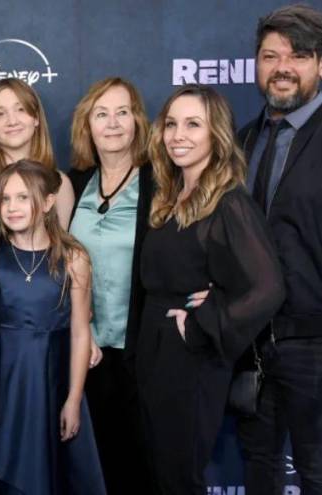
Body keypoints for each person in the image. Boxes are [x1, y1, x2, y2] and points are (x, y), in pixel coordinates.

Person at [137, 84, 284, 494]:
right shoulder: (169, 194)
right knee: (161, 473)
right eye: (171, 124)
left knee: (180, 476)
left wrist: (203, 323)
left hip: (191, 361)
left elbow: (268, 287)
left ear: (215, 133)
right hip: (154, 353)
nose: (178, 135)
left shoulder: (229, 202)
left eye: (192, 124)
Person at [0, 160, 105, 495]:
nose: (12, 207)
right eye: (5, 199)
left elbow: (80, 332)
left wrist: (73, 399)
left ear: (47, 202)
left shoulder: (74, 258)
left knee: (49, 469)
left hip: (50, 379)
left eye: (23, 198)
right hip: (2, 376)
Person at [235, 5, 322, 494]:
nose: (282, 66)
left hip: (315, 341)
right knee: (258, 466)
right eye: (270, 55)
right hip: (252, 345)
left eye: (299, 55)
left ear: (320, 65)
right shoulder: (244, 141)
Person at [66, 77, 153, 494]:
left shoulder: (159, 183)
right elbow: (54, 265)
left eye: (123, 112)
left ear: (137, 121)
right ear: (88, 125)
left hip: (140, 352)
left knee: (140, 467)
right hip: (87, 352)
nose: (113, 123)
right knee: (94, 471)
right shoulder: (75, 182)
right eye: (102, 114)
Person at [0, 78, 74, 229]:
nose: (12, 121)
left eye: (20, 109)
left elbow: (62, 248)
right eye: (0, 114)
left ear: (36, 118)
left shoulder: (59, 184)